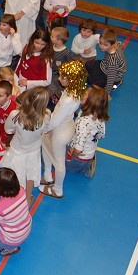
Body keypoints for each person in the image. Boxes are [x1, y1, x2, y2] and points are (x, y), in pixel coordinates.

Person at [40, 60, 87, 199]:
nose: (59, 79)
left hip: (60, 131)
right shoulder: (73, 91)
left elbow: (56, 120)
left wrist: (46, 128)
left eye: (63, 77)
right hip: (65, 125)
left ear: (72, 79)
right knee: (46, 146)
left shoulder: (68, 100)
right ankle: (48, 175)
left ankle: (58, 189)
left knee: (59, 162)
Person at [1, 86, 51, 206]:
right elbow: (45, 130)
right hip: (33, 150)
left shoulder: (16, 115)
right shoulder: (46, 116)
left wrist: (17, 130)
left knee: (14, 173)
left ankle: (11, 198)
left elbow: (8, 130)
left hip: (17, 150)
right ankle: (28, 198)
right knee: (30, 175)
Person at [66, 86, 110, 179]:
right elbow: (101, 135)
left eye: (85, 94)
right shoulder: (100, 118)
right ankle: (87, 165)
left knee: (53, 151)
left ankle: (78, 167)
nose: (82, 94)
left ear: (91, 101)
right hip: (88, 156)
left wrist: (72, 154)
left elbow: (78, 149)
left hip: (77, 160)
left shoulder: (83, 122)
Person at [86, 28, 126, 95]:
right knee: (88, 64)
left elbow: (111, 77)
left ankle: (116, 83)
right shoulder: (116, 44)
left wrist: (107, 93)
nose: (102, 46)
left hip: (111, 74)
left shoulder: (112, 60)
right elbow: (121, 44)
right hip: (104, 65)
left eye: (105, 45)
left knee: (91, 81)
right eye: (100, 43)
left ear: (112, 45)